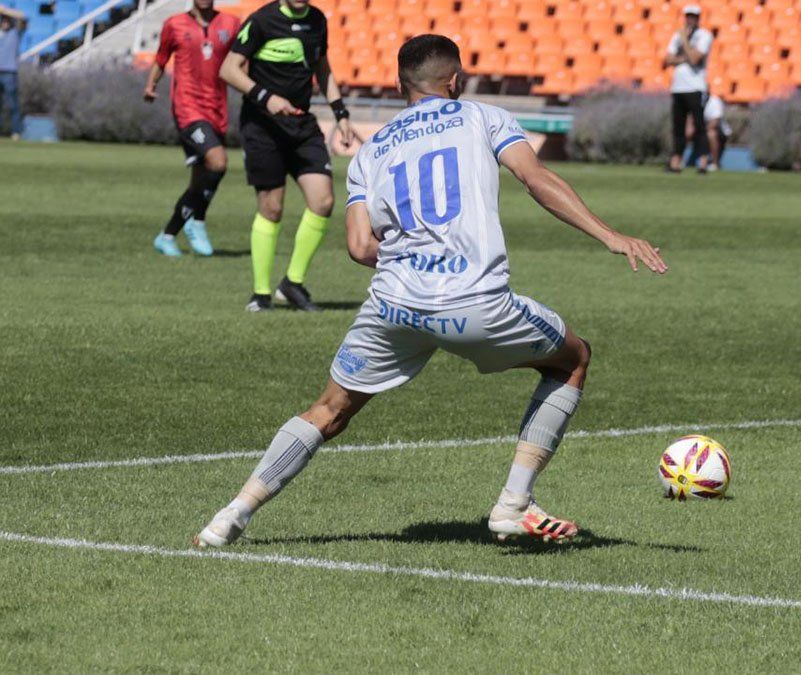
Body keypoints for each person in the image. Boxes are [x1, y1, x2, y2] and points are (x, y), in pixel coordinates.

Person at [193, 34, 668, 548]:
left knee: (329, 410)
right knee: (572, 359)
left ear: (400, 87)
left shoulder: (372, 150)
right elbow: (535, 179)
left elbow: (358, 246)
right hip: (475, 302)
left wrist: (412, 254)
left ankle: (230, 516)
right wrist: (611, 235)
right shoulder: (483, 117)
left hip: (395, 304)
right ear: (456, 82)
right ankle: (513, 503)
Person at [220, 0, 358, 312]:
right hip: (262, 126)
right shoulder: (261, 21)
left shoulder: (318, 20)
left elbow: (322, 67)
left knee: (323, 201)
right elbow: (228, 69)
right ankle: (260, 293)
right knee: (272, 208)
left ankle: (292, 284)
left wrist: (341, 114)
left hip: (301, 124)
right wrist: (265, 97)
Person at [144, 0, 241, 258]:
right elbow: (161, 58)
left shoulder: (231, 24)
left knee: (200, 181)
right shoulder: (174, 24)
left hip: (217, 110)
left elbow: (243, 61)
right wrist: (151, 85)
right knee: (218, 162)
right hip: (187, 109)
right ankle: (197, 221)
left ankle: (166, 236)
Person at [663, 5, 712, 174]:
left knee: (699, 126)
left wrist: (684, 43)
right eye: (688, 16)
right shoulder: (677, 35)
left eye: (694, 16)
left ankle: (703, 162)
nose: (690, 20)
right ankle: (676, 161)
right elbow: (667, 59)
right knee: (678, 127)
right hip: (678, 87)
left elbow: (695, 58)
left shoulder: (703, 35)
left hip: (695, 87)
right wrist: (684, 57)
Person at [0, 4, 26, 140]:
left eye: (6, 20)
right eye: (2, 20)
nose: (4, 22)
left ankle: (16, 131)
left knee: (13, 103)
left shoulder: (15, 33)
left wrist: (5, 10)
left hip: (9, 72)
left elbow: (23, 17)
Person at [703, 93, 731, 170]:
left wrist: (701, 131)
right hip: (702, 130)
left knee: (711, 134)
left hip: (720, 132)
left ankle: (714, 164)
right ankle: (678, 160)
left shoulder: (715, 101)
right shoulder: (695, 100)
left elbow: (715, 122)